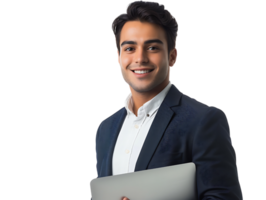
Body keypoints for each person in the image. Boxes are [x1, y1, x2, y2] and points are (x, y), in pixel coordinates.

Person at [95, 1, 243, 200]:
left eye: (152, 47)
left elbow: (224, 197)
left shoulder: (203, 121)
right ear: (118, 58)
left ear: (172, 57)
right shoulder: (105, 129)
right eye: (130, 48)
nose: (140, 58)